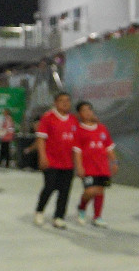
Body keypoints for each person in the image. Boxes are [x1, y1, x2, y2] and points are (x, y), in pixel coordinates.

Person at [34, 92, 78, 228]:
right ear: (55, 103)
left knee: (65, 191)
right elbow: (41, 139)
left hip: (68, 163)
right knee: (49, 187)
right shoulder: (48, 117)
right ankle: (39, 211)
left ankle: (59, 216)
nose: (65, 103)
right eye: (61, 100)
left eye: (67, 100)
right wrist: (42, 157)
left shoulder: (73, 119)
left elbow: (77, 143)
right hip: (51, 161)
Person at [72, 101, 116, 227]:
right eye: (84, 110)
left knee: (100, 191)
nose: (87, 112)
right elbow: (77, 151)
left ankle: (97, 216)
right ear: (79, 114)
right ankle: (82, 207)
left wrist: (114, 161)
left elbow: (109, 147)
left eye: (89, 110)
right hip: (88, 167)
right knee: (90, 191)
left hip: (103, 167)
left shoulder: (102, 128)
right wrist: (79, 166)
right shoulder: (79, 130)